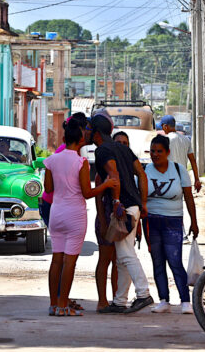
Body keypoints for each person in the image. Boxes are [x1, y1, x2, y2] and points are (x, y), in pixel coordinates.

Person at [44, 119, 118, 316]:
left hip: (56, 213)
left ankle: (53, 304)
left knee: (56, 260)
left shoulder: (51, 160)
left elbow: (48, 189)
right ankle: (62, 305)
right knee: (70, 261)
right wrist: (105, 185)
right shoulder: (81, 162)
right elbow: (87, 193)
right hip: (74, 214)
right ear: (79, 140)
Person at [90, 112, 153, 314]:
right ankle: (120, 301)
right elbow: (141, 174)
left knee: (126, 254)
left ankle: (143, 294)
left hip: (122, 207)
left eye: (90, 130)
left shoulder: (102, 151)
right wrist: (142, 202)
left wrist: (116, 201)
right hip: (133, 205)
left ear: (97, 133)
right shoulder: (124, 149)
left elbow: (113, 175)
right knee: (121, 257)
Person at [143, 135, 198, 314]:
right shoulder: (145, 171)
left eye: (159, 151)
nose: (155, 154)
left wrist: (194, 222)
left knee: (174, 260)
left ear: (167, 152)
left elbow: (189, 197)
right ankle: (164, 300)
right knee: (157, 261)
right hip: (151, 221)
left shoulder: (178, 169)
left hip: (173, 221)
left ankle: (185, 300)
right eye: (152, 151)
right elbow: (140, 199)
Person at [160, 115, 201, 193]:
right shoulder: (186, 139)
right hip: (182, 178)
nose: (162, 129)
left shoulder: (165, 140)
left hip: (168, 178)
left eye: (162, 126)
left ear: (165, 126)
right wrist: (197, 179)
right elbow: (193, 161)